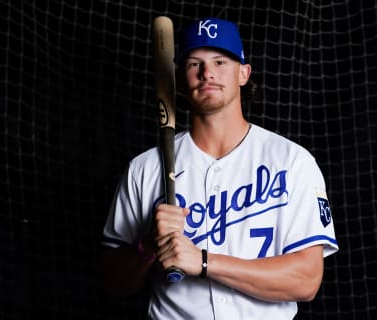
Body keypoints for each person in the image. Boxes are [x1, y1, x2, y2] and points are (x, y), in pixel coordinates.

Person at [101, 17, 338, 320]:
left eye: (220, 61)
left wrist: (203, 261)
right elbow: (112, 282)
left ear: (243, 73)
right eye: (194, 63)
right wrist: (148, 246)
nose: (207, 73)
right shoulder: (144, 169)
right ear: (179, 80)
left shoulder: (292, 162)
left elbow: (306, 281)